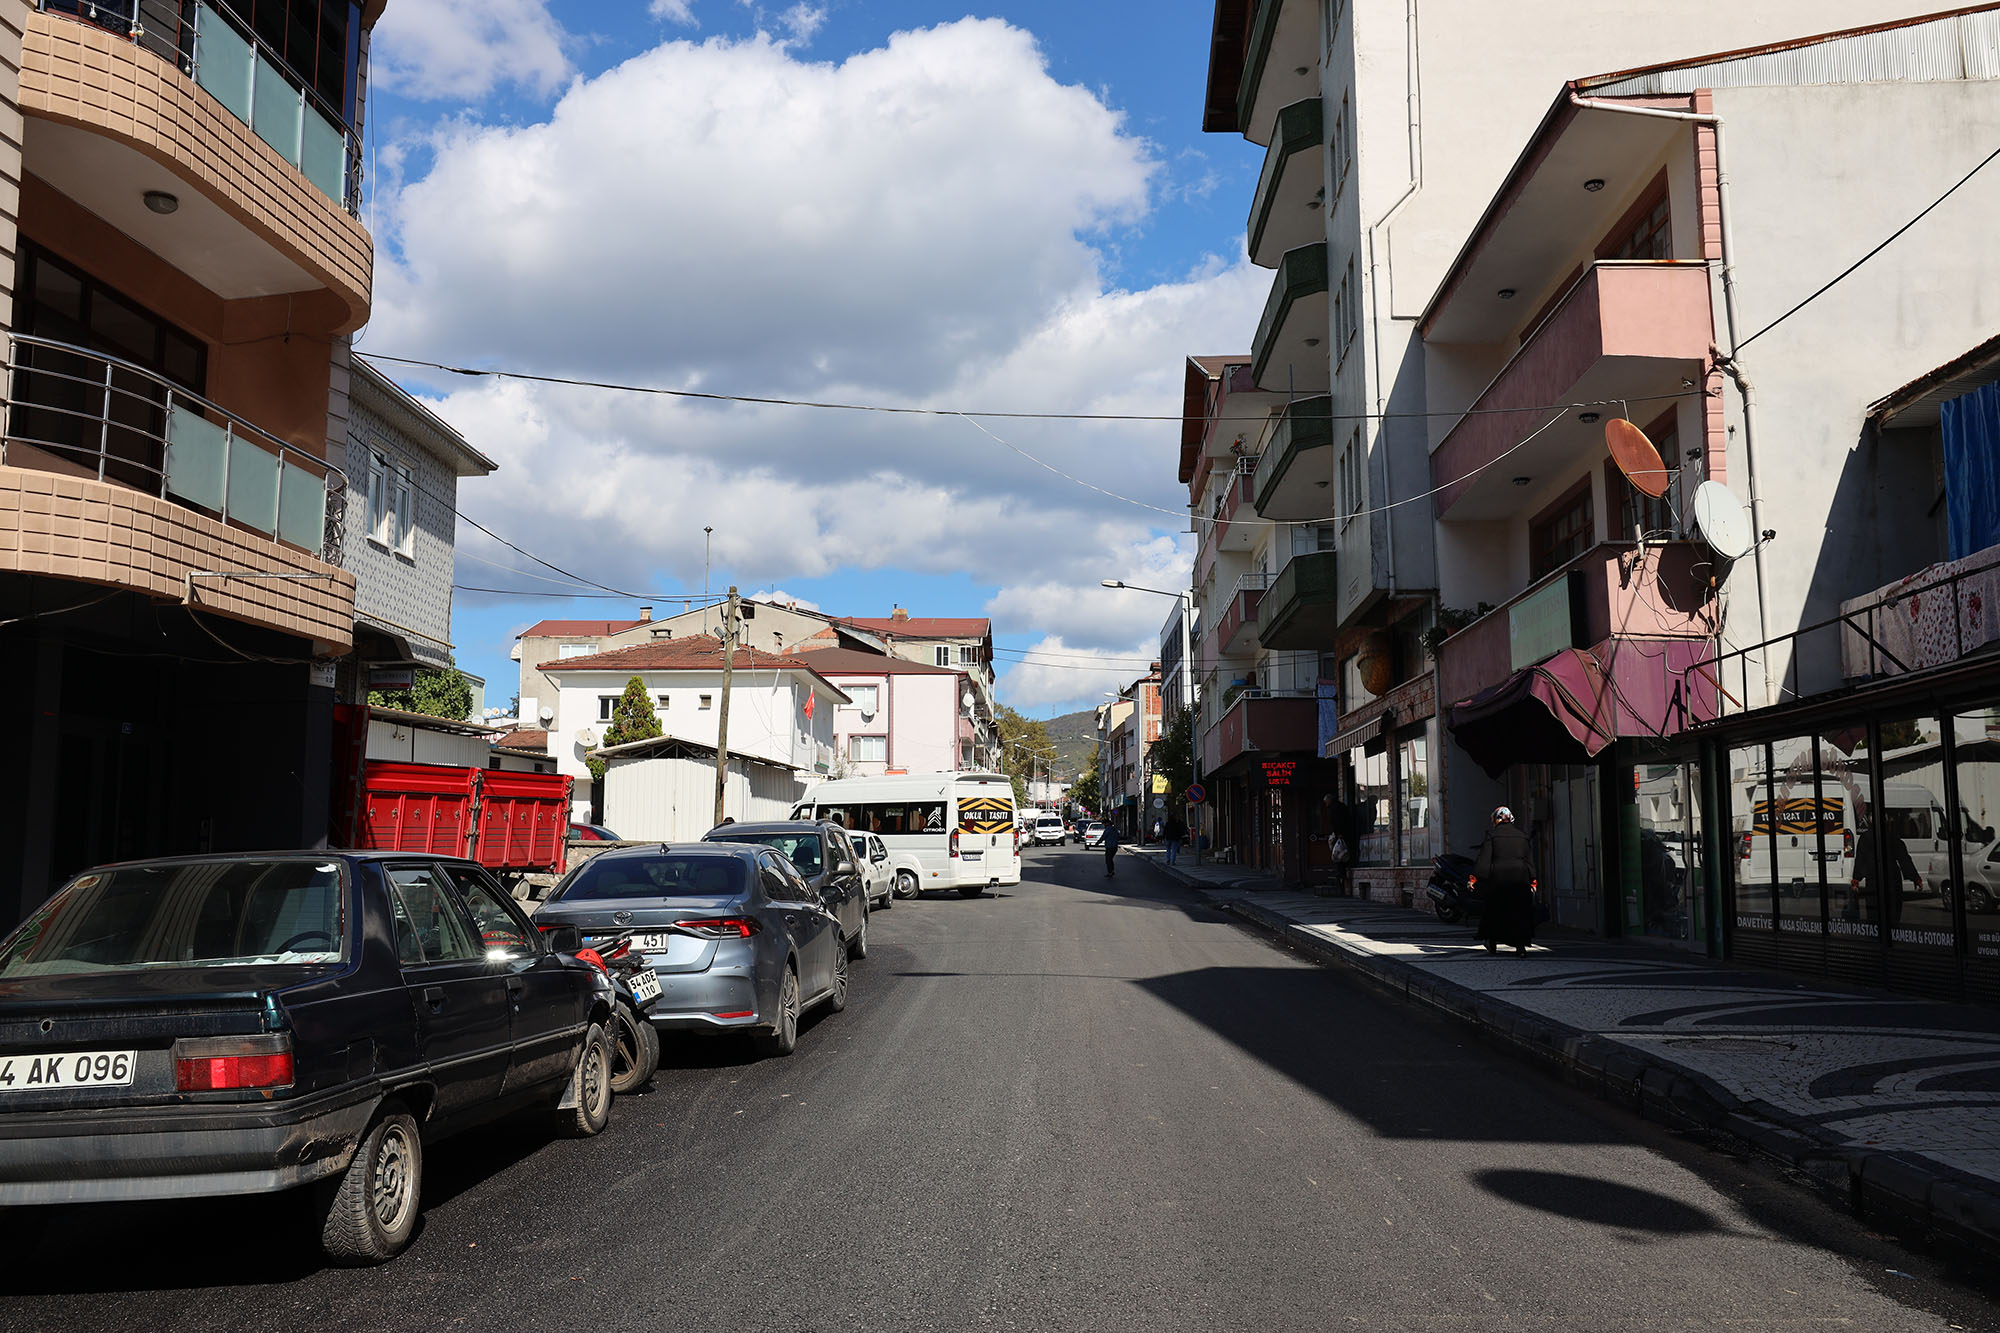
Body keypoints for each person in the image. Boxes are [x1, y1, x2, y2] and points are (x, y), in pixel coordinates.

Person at [1471, 805, 1539, 955]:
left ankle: (1492, 942)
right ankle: (1520, 947)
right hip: (1520, 879)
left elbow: (1484, 860)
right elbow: (1529, 861)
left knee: (1495, 912)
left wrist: (1474, 878)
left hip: (1498, 880)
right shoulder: (1522, 836)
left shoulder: (1492, 835)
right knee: (1519, 912)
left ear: (1496, 819)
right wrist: (1533, 880)